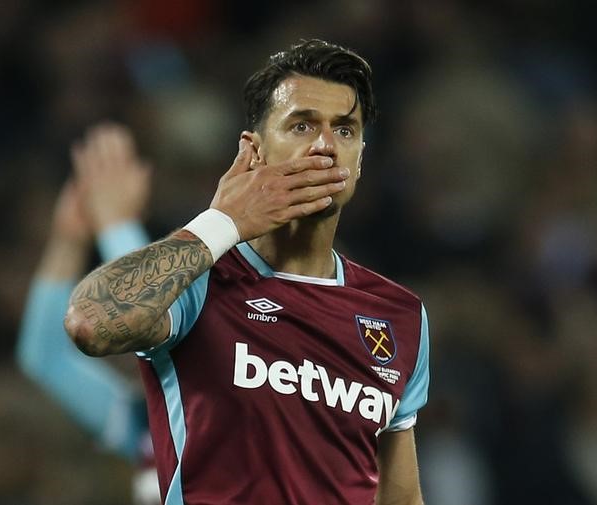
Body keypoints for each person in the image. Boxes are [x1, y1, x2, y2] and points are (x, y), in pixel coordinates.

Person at [65, 39, 430, 504]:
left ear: (360, 157)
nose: (324, 145)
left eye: (344, 130)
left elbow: (401, 499)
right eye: (301, 125)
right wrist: (221, 222)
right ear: (254, 150)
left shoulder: (399, 315)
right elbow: (90, 322)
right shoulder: (202, 280)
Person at [16, 123, 160, 504]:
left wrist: (116, 223)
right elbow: (46, 359)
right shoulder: (145, 420)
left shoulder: (235, 399)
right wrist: (70, 239)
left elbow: (155, 315)